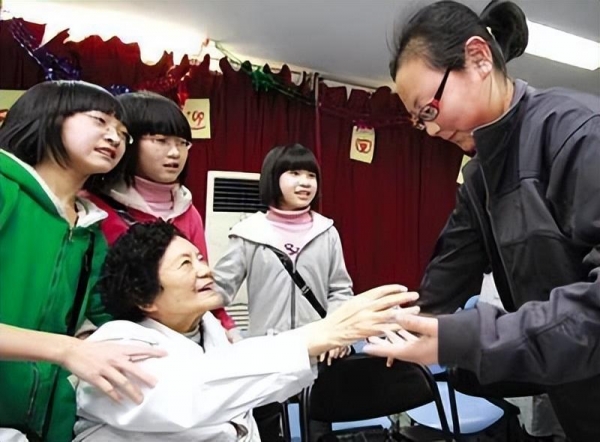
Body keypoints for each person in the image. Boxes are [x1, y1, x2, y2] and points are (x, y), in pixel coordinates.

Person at [363, 1, 600, 440]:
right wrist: (391, 326)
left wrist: (463, 338)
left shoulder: (579, 133)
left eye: (428, 110)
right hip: (577, 396)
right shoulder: (480, 177)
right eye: (419, 122)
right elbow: (449, 272)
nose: (431, 130)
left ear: (478, 58)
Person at [73, 221, 418, 441]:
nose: (205, 270)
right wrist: (319, 334)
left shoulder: (209, 330)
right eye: (185, 264)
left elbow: (250, 385)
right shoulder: (115, 345)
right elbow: (193, 393)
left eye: (200, 258)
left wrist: (333, 337)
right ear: (144, 297)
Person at [0, 81, 165, 442]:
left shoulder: (89, 231)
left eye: (123, 133)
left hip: (46, 426)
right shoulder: (4, 189)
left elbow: (104, 318)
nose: (115, 137)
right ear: (48, 116)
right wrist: (68, 349)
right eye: (100, 121)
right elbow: (71, 346)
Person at [212, 143, 354, 440]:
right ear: (273, 177)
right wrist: (229, 333)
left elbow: (340, 290)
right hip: (267, 355)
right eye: (294, 173)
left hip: (318, 352)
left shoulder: (327, 232)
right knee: (266, 432)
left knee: (318, 430)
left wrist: (337, 333)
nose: (305, 183)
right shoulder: (248, 233)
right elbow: (216, 293)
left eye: (311, 175)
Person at [85, 91, 240, 341]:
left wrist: (226, 326)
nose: (175, 153)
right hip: (118, 342)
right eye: (160, 140)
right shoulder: (93, 209)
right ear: (127, 141)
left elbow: (201, 280)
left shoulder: (187, 210)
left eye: (182, 143)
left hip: (188, 340)